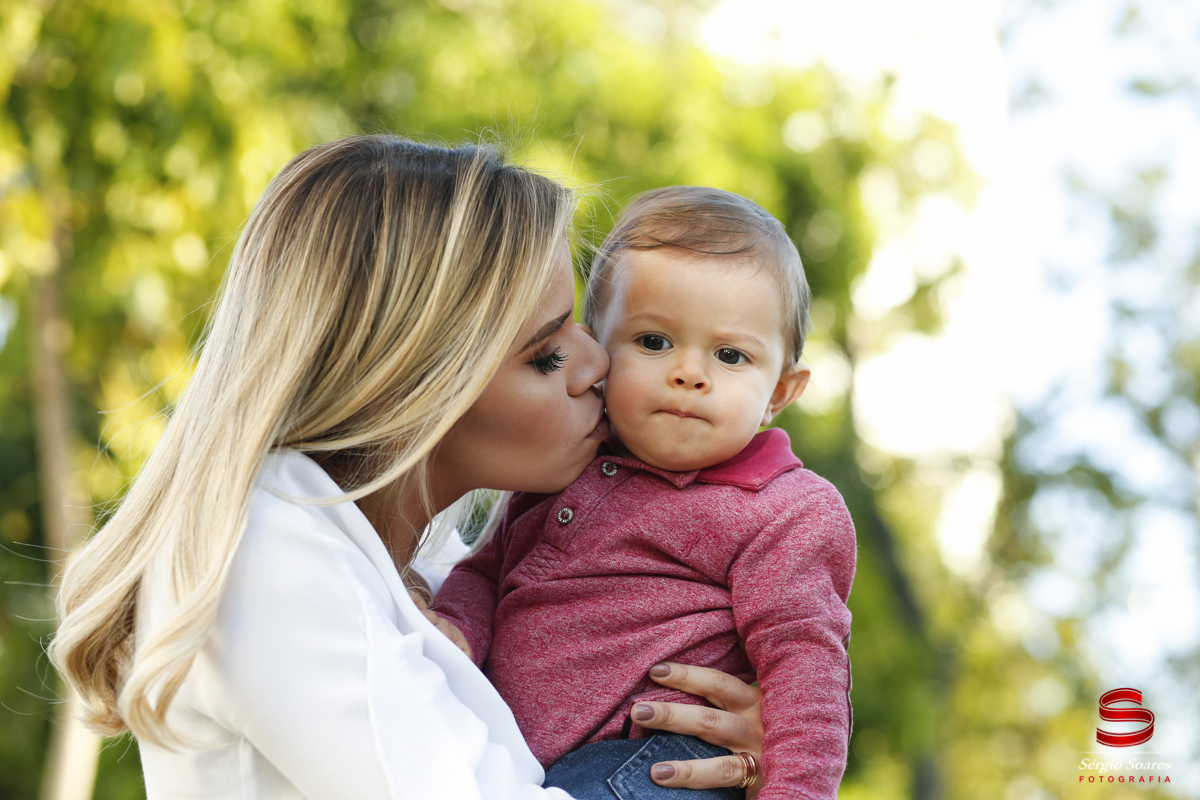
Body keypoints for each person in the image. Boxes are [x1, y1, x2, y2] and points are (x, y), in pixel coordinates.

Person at [48, 137, 768, 798]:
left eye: (581, 325)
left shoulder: (451, 577)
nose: (597, 365)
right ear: (414, 387)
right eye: (545, 354)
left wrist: (738, 749)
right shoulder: (267, 550)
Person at [431, 187, 856, 798]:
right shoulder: (559, 466)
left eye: (730, 355)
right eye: (654, 342)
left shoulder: (783, 509)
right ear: (596, 348)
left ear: (781, 392)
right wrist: (456, 631)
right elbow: (486, 572)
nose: (689, 373)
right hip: (519, 760)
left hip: (654, 767)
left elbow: (806, 673)